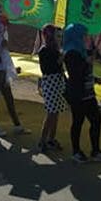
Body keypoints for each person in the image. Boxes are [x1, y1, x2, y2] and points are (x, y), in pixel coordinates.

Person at [63, 24, 101, 163]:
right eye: (83, 35)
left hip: (89, 93)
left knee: (96, 120)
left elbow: (85, 72)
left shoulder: (82, 51)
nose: (86, 37)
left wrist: (94, 79)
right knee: (78, 122)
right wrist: (87, 62)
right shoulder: (72, 52)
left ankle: (95, 151)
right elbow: (76, 74)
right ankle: (76, 151)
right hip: (78, 95)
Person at [0, 3, 28, 137]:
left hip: (3, 71)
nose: (1, 27)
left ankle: (17, 125)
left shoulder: (1, 38)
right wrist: (1, 47)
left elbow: (5, 56)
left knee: (9, 99)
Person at [37, 24, 67, 152]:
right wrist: (62, 57)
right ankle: (42, 141)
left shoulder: (55, 49)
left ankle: (51, 139)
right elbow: (50, 68)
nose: (58, 38)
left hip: (57, 82)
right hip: (50, 82)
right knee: (50, 113)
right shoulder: (44, 50)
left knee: (55, 113)